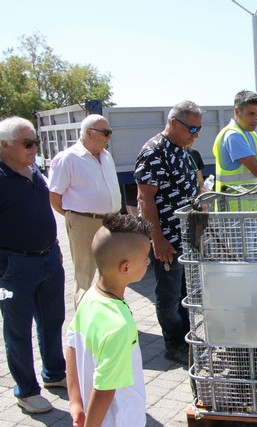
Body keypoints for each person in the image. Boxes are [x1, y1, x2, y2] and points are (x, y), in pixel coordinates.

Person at [0, 117, 66, 414]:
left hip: (49, 259)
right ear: (5, 145)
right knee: (18, 330)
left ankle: (54, 373)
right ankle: (26, 391)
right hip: (14, 268)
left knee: (52, 321)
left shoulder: (33, 169)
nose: (34, 148)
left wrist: (54, 246)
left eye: (35, 142)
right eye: (28, 143)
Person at [135, 100, 202, 365]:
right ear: (174, 123)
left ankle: (188, 339)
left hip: (189, 236)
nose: (195, 134)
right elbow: (145, 198)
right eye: (192, 129)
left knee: (187, 293)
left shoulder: (182, 149)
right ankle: (173, 344)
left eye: (198, 129)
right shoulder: (154, 152)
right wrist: (157, 239)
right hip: (170, 240)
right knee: (169, 295)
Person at [66, 213, 150, 427]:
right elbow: (104, 389)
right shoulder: (119, 326)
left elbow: (72, 347)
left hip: (92, 414)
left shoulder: (88, 299)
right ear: (125, 267)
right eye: (145, 257)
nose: (149, 261)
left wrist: (75, 402)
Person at [49, 114, 122, 307]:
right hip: (84, 222)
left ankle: (108, 314)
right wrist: (76, 218)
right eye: (106, 133)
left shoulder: (106, 156)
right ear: (89, 133)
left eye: (110, 133)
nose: (110, 138)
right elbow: (54, 197)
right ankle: (83, 323)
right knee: (85, 274)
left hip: (111, 221)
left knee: (110, 271)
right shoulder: (68, 158)